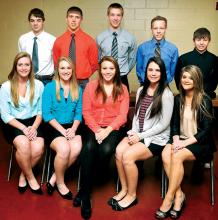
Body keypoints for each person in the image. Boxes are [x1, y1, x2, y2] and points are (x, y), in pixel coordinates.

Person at [109, 57, 174, 211]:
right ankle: (124, 189)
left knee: (128, 156)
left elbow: (163, 124)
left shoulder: (166, 94)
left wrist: (140, 136)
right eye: (150, 70)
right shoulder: (140, 90)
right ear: (146, 72)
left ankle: (132, 195)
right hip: (139, 134)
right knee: (119, 151)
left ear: (162, 73)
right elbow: (138, 116)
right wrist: (133, 132)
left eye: (157, 70)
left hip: (156, 139)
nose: (153, 73)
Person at [72, 56, 129, 219]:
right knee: (88, 148)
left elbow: (123, 115)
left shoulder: (122, 88)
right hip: (93, 126)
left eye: (111, 68)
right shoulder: (91, 86)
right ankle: (87, 198)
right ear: (100, 70)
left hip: (113, 128)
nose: (108, 71)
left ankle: (83, 190)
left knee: (105, 149)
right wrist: (97, 130)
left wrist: (107, 131)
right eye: (104, 68)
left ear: (116, 70)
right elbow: (86, 112)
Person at [155, 65, 215, 219]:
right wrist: (175, 140)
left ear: (197, 79)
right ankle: (179, 194)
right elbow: (174, 124)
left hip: (199, 142)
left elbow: (206, 131)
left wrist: (183, 143)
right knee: (165, 154)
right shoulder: (177, 98)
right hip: (179, 138)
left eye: (190, 77)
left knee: (177, 156)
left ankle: (169, 199)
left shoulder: (205, 100)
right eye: (183, 77)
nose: (186, 80)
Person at [0, 52, 44, 194]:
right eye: (20, 64)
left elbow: (40, 111)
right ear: (15, 67)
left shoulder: (38, 85)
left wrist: (34, 127)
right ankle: (30, 178)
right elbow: (5, 115)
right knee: (24, 145)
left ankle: (22, 174)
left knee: (38, 147)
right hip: (13, 123)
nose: (24, 67)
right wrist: (24, 128)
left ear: (31, 67)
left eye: (27, 64)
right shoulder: (6, 87)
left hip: (34, 121)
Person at [42, 57, 82, 200]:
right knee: (64, 148)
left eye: (68, 68)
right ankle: (60, 183)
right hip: (53, 126)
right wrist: (62, 131)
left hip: (72, 126)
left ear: (72, 70)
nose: (66, 71)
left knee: (76, 148)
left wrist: (73, 128)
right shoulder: (49, 88)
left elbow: (78, 113)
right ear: (58, 70)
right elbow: (46, 114)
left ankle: (52, 178)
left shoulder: (78, 89)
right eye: (62, 68)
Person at [53, 6, 98, 90]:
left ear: (81, 20)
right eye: (71, 17)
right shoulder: (58, 41)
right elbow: (56, 63)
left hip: (83, 83)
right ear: (66, 19)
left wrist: (83, 74)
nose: (73, 20)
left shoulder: (90, 41)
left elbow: (94, 64)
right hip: (64, 81)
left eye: (77, 17)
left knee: (83, 103)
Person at [96, 3, 137, 91]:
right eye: (112, 15)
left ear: (122, 17)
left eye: (118, 15)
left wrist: (123, 71)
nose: (115, 18)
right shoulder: (100, 37)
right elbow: (98, 59)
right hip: (104, 78)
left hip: (122, 78)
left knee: (124, 103)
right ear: (108, 16)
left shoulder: (130, 38)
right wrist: (106, 71)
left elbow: (132, 59)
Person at [175, 27, 218, 99]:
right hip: (187, 94)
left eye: (205, 40)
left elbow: (214, 81)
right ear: (193, 41)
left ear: (209, 41)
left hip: (207, 95)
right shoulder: (183, 58)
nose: (201, 43)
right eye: (198, 40)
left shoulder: (215, 59)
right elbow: (178, 78)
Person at [18, 8, 56, 85]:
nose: (35, 23)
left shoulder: (52, 40)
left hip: (46, 81)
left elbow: (56, 62)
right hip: (28, 79)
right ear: (29, 22)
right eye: (32, 20)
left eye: (38, 20)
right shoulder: (22, 39)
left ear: (43, 22)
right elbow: (21, 61)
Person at [136, 16, 178, 85]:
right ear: (151, 29)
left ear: (165, 29)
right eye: (155, 28)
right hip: (146, 84)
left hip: (164, 85)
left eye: (161, 28)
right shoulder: (142, 47)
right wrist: (145, 81)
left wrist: (166, 81)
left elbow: (172, 71)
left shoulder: (173, 49)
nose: (158, 31)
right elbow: (139, 69)